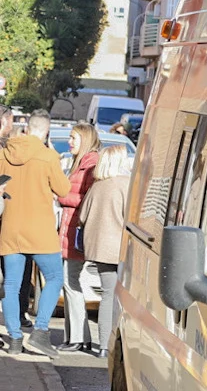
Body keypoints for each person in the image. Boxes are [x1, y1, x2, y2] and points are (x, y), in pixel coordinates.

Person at [0, 113, 68, 358]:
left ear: (26, 129)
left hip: (10, 227)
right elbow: (63, 189)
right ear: (46, 132)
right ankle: (40, 332)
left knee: (11, 283)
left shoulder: (5, 152)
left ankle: (15, 339)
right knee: (54, 277)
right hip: (39, 228)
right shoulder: (48, 156)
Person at [78, 145, 130, 358]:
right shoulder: (126, 185)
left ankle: (103, 345)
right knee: (124, 299)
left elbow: (82, 217)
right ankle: (116, 345)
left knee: (107, 295)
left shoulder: (96, 187)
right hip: (121, 249)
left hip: (99, 250)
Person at [57, 123, 100, 354]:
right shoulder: (80, 164)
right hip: (69, 231)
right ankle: (76, 336)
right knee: (69, 283)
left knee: (71, 283)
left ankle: (78, 338)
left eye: (73, 138)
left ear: (85, 139)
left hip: (77, 234)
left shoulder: (91, 165)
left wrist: (62, 196)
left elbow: (87, 200)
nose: (69, 142)